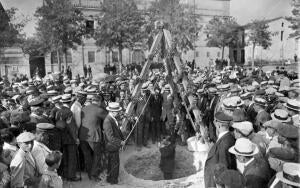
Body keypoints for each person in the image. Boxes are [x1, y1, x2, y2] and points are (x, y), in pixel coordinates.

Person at [79, 94, 108, 181]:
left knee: (87, 155)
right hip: (94, 136)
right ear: (99, 101)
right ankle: (94, 175)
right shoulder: (99, 110)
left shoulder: (83, 109)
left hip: (82, 136)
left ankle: (89, 174)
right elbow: (109, 119)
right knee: (97, 155)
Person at [204, 111, 236, 188]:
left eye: (215, 121)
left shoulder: (225, 143)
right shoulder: (226, 138)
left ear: (219, 125)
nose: (214, 123)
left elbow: (224, 169)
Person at [103, 102, 125, 184]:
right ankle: (113, 181)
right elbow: (110, 138)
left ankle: (110, 178)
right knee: (114, 164)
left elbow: (118, 131)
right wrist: (120, 142)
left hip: (114, 145)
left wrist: (122, 139)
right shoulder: (107, 121)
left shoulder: (112, 118)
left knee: (112, 163)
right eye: (117, 111)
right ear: (112, 111)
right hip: (111, 146)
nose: (118, 113)